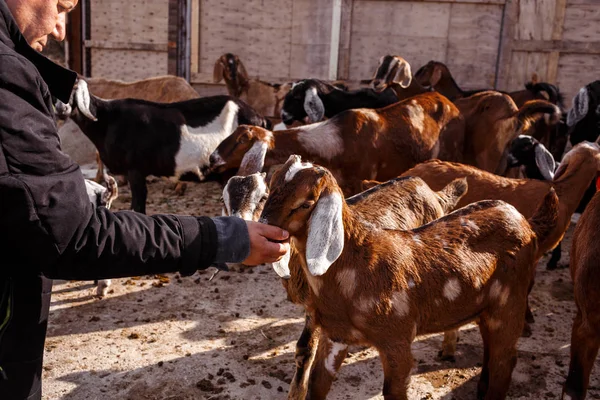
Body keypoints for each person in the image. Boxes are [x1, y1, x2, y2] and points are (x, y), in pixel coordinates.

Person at [0, 1, 290, 399]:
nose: (62, 30)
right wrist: (222, 238)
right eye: (62, 7)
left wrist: (63, 192)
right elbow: (73, 236)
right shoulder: (7, 77)